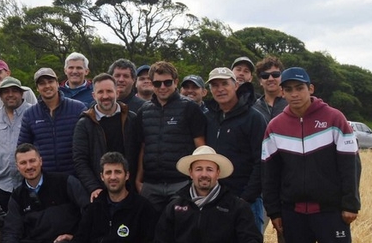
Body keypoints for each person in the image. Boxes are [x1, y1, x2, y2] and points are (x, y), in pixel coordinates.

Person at [262, 67, 365, 243]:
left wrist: (350, 204)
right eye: (289, 89)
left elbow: (350, 166)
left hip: (330, 212)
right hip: (293, 213)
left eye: (300, 88)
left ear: (311, 89)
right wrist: (274, 212)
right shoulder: (275, 127)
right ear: (282, 92)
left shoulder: (334, 119)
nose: (294, 94)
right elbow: (270, 174)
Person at [203, 68, 268, 234]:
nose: (220, 89)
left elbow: (262, 161)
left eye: (225, 83)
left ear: (236, 85)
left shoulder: (254, 118)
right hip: (214, 197)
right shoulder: (208, 118)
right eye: (215, 85)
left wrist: (247, 198)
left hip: (246, 199)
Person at [137, 61, 207, 212]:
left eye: (167, 82)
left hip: (181, 182)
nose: (162, 87)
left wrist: (199, 177)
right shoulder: (144, 111)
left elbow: (200, 146)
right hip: (151, 184)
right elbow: (143, 147)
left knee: (180, 230)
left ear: (175, 82)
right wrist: (138, 180)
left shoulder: (190, 108)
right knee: (151, 232)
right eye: (157, 83)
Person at [71, 73, 143, 200]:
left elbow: (140, 153)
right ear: (93, 95)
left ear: (117, 93)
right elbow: (80, 160)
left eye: (109, 91)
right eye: (100, 92)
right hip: (100, 192)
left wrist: (137, 181)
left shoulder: (131, 119)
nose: (105, 96)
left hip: (129, 190)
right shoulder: (84, 124)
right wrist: (93, 187)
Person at [18, 67, 86, 175]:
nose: (47, 86)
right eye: (42, 83)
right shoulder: (30, 114)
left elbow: (88, 144)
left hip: (75, 176)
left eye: (50, 81)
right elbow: (23, 149)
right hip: (45, 179)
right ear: (37, 88)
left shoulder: (77, 108)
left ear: (58, 84)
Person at [0, 77, 32, 211]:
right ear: (0, 95)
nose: (10, 95)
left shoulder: (33, 113)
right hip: (2, 185)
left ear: (21, 93)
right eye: (5, 91)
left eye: (14, 91)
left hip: (30, 183)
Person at [252, 56, 288, 122]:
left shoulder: (292, 103)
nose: (270, 79)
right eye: (265, 76)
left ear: (282, 77)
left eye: (275, 74)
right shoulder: (254, 108)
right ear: (260, 81)